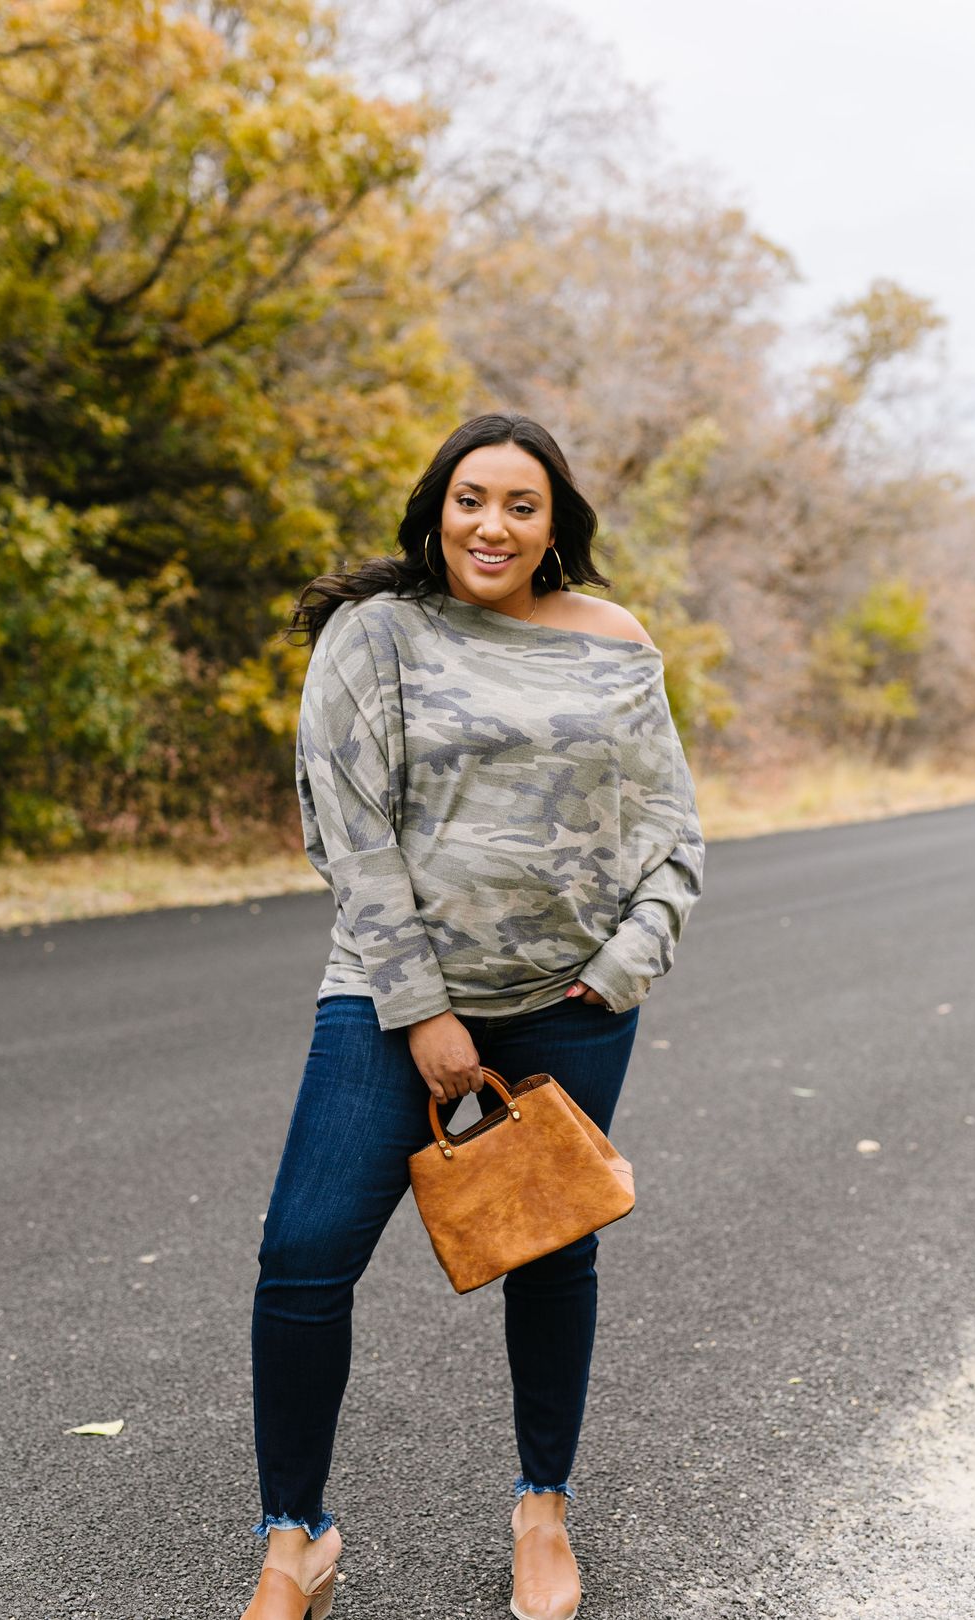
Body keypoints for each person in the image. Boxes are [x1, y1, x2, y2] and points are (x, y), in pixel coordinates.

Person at [242, 413, 705, 1620]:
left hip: (573, 1005)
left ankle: (541, 1509)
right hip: (393, 1004)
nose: (491, 525)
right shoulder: (377, 634)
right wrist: (424, 1014)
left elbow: (671, 831)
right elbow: (349, 835)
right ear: (435, 509)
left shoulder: (615, 643)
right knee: (303, 1256)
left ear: (557, 525)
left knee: (553, 1258)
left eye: (520, 504)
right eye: (470, 499)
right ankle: (296, 1538)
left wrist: (621, 969)